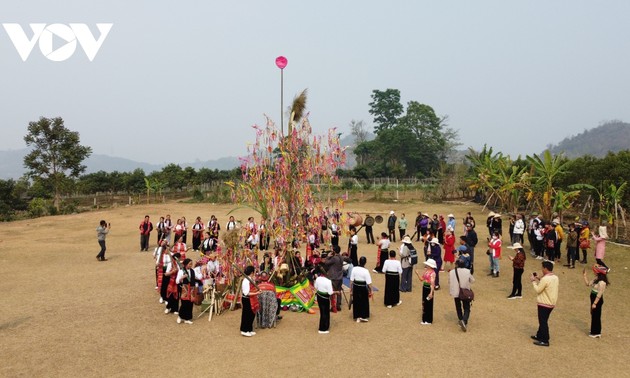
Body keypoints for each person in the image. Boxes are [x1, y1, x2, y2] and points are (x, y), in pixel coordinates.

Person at [530, 260, 559, 347]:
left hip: (544, 303)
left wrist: (533, 281)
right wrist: (539, 278)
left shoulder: (546, 279)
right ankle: (539, 335)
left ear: (546, 268)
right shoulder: (555, 277)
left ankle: (545, 340)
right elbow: (547, 284)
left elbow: (538, 290)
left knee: (543, 321)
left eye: (542, 268)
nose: (541, 269)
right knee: (543, 320)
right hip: (551, 303)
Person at [583, 265, 609, 338]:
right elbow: (588, 284)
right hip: (593, 298)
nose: (594, 272)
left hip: (597, 300)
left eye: (596, 271)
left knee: (596, 315)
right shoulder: (596, 279)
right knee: (593, 314)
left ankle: (596, 332)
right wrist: (584, 276)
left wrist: (595, 303)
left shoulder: (602, 283)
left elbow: (599, 294)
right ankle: (594, 330)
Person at [449, 259, 475, 331]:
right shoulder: (467, 272)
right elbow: (472, 280)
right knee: (467, 307)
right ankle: (464, 320)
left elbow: (450, 282)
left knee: (458, 306)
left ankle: (460, 319)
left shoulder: (451, 272)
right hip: (465, 291)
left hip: (456, 292)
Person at [324, 245, 349, 312]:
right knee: (339, 290)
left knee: (333, 292)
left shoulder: (334, 258)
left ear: (334, 251)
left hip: (333, 276)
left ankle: (333, 306)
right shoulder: (341, 257)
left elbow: (326, 263)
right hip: (340, 276)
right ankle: (338, 305)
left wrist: (328, 256)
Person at [175, 258, 199, 325]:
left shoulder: (192, 271)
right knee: (184, 304)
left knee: (190, 304)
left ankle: (187, 318)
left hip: (191, 289)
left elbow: (196, 278)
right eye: (189, 264)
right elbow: (177, 281)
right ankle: (180, 316)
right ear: (186, 264)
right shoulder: (181, 271)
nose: (191, 265)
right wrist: (182, 277)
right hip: (184, 289)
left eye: (191, 264)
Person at [350, 256, 372, 322]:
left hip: (356, 287)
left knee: (356, 301)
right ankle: (363, 316)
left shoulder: (354, 269)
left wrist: (351, 289)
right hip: (363, 288)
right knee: (364, 301)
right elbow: (369, 283)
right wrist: (372, 290)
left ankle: (357, 316)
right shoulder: (366, 271)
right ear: (365, 263)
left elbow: (351, 280)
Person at [240, 265, 259, 336]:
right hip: (247, 299)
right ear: (252, 272)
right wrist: (257, 293)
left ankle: (249, 329)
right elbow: (246, 292)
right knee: (246, 315)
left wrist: (257, 291)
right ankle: (244, 330)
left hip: (252, 298)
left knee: (251, 314)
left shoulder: (251, 279)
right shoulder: (246, 281)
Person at [417, 259, 437, 324]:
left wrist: (431, 292)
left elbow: (432, 284)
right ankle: (424, 318)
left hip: (429, 289)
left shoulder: (433, 273)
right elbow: (421, 279)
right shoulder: (426, 271)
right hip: (424, 288)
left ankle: (428, 320)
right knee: (424, 303)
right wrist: (417, 274)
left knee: (429, 304)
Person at [314, 269, 334, 334]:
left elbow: (315, 287)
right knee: (325, 312)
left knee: (322, 311)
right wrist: (336, 292)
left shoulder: (318, 279)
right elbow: (330, 292)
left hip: (319, 296)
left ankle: (323, 326)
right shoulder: (328, 281)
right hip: (325, 297)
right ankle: (323, 328)